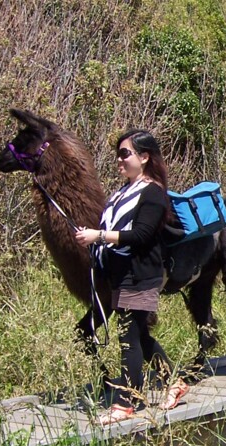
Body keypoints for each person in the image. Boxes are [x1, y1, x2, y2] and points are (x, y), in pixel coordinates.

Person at [75, 130, 188, 424]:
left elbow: (140, 236)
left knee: (129, 337)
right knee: (138, 334)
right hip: (121, 274)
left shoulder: (152, 193)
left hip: (141, 274)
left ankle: (127, 402)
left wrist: (98, 236)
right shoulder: (124, 191)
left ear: (144, 157)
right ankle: (174, 382)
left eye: (125, 153)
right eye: (119, 154)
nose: (119, 159)